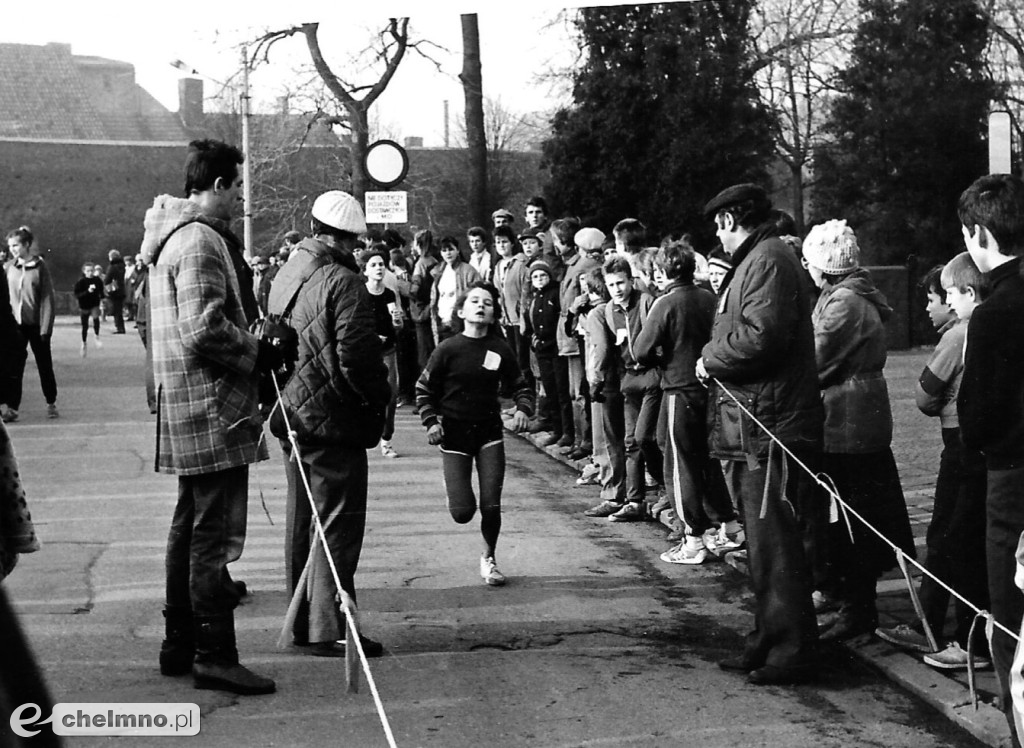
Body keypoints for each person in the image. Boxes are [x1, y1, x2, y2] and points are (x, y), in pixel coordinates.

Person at [142, 139, 280, 695]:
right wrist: (258, 351)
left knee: (188, 527)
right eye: (237, 186)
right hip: (211, 406)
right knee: (213, 537)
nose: (239, 196)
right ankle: (215, 654)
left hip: (186, 402)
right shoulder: (199, 240)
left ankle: (179, 642)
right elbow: (203, 328)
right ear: (218, 185)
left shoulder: (171, 236)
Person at [696, 183, 823, 685]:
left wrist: (709, 358)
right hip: (761, 423)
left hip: (771, 427)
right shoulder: (763, 257)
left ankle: (790, 652)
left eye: (717, 226)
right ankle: (768, 641)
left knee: (777, 545)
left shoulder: (765, 260)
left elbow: (761, 337)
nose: (718, 237)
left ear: (728, 220)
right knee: (765, 545)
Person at [267, 190, 391, 658]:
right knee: (337, 524)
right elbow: (356, 357)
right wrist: (379, 397)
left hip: (290, 412)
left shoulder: (286, 272)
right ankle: (329, 627)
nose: (358, 250)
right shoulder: (344, 281)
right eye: (355, 242)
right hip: (332, 418)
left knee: (302, 521)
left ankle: (303, 621)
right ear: (342, 239)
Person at [801, 219, 915, 642]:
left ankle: (857, 608)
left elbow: (815, 360)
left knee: (850, 518)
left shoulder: (842, 303)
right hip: (857, 413)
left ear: (823, 266)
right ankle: (849, 598)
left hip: (845, 419)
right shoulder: (849, 296)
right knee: (853, 514)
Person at [876, 255, 990, 670]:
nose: (932, 305)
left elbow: (926, 394)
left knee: (956, 535)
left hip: (960, 441)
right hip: (974, 442)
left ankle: (968, 640)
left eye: (944, 295)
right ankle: (943, 626)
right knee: (951, 531)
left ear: (967, 294)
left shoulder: (959, 335)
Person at [955, 173, 1024, 746]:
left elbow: (977, 412)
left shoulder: (994, 312)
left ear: (979, 232)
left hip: (1012, 473)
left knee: (1011, 608)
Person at [415, 281, 534, 586]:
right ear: (461, 310)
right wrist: (431, 422)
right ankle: (456, 491)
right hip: (453, 434)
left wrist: (522, 409)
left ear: (494, 314)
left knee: (491, 503)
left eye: (488, 303)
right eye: (474, 301)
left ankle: (489, 558)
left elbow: (520, 384)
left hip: (489, 433)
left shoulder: (500, 349)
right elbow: (423, 389)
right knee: (462, 512)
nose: (481, 306)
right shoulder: (448, 348)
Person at [632, 240, 741, 564]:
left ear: (665, 269)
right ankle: (730, 525)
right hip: (709, 388)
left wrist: (662, 355)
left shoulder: (665, 304)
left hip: (678, 390)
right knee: (708, 460)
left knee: (679, 465)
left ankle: (692, 538)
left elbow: (640, 351)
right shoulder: (709, 298)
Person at [602, 256, 662, 522]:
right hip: (629, 379)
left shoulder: (646, 301)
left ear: (630, 280)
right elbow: (613, 348)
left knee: (645, 438)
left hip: (651, 375)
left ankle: (663, 488)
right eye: (611, 284)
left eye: (621, 282)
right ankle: (635, 501)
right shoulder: (608, 310)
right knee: (630, 441)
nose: (617, 289)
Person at [553, 218, 600, 460]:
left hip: (577, 335)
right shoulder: (574, 265)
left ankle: (587, 441)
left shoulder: (584, 265)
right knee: (576, 392)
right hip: (569, 333)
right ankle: (582, 439)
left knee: (581, 391)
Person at [5, 227, 58, 422]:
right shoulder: (9, 267)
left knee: (44, 365)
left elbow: (47, 299)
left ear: (27, 245)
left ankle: (51, 402)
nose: (13, 249)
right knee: (14, 368)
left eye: (16, 245)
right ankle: (12, 407)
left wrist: (46, 328)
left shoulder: (40, 267)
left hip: (36, 325)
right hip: (15, 326)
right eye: (10, 246)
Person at [364, 249, 403, 458]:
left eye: (381, 264)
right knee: (365, 395)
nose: (379, 268)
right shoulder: (361, 294)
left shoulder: (389, 294)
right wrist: (371, 336)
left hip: (388, 350)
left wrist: (397, 322)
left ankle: (386, 439)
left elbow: (398, 324)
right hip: (367, 352)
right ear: (366, 271)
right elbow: (355, 324)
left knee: (391, 394)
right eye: (374, 265)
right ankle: (362, 436)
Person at [524, 260, 563, 447]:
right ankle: (556, 428)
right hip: (541, 349)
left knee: (560, 390)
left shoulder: (555, 293)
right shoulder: (535, 296)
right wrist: (534, 338)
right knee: (549, 389)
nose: (539, 279)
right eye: (535, 277)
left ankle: (565, 430)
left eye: (543, 275)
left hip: (555, 348)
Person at [429, 236, 479, 345]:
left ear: (458, 250)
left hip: (460, 323)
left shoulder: (468, 271)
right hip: (441, 323)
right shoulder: (438, 272)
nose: (448, 253)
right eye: (444, 250)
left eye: (451, 249)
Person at [410, 230, 440, 369]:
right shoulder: (434, 261)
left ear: (418, 244)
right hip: (433, 307)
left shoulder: (420, 264)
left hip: (421, 310)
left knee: (424, 351)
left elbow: (414, 290)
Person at [73, 261, 104, 358]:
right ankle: (84, 342)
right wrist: (87, 291)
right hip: (84, 305)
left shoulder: (97, 280)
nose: (90, 273)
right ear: (84, 271)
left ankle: (96, 336)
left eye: (92, 270)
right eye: (88, 271)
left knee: (96, 319)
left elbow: (101, 291)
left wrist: (102, 298)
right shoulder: (81, 282)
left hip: (94, 304)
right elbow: (77, 295)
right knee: (85, 325)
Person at [103, 249, 127, 334]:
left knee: (116, 310)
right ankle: (121, 327)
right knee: (119, 310)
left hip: (114, 291)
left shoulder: (112, 266)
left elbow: (107, 279)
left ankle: (119, 328)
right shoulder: (123, 266)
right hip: (122, 290)